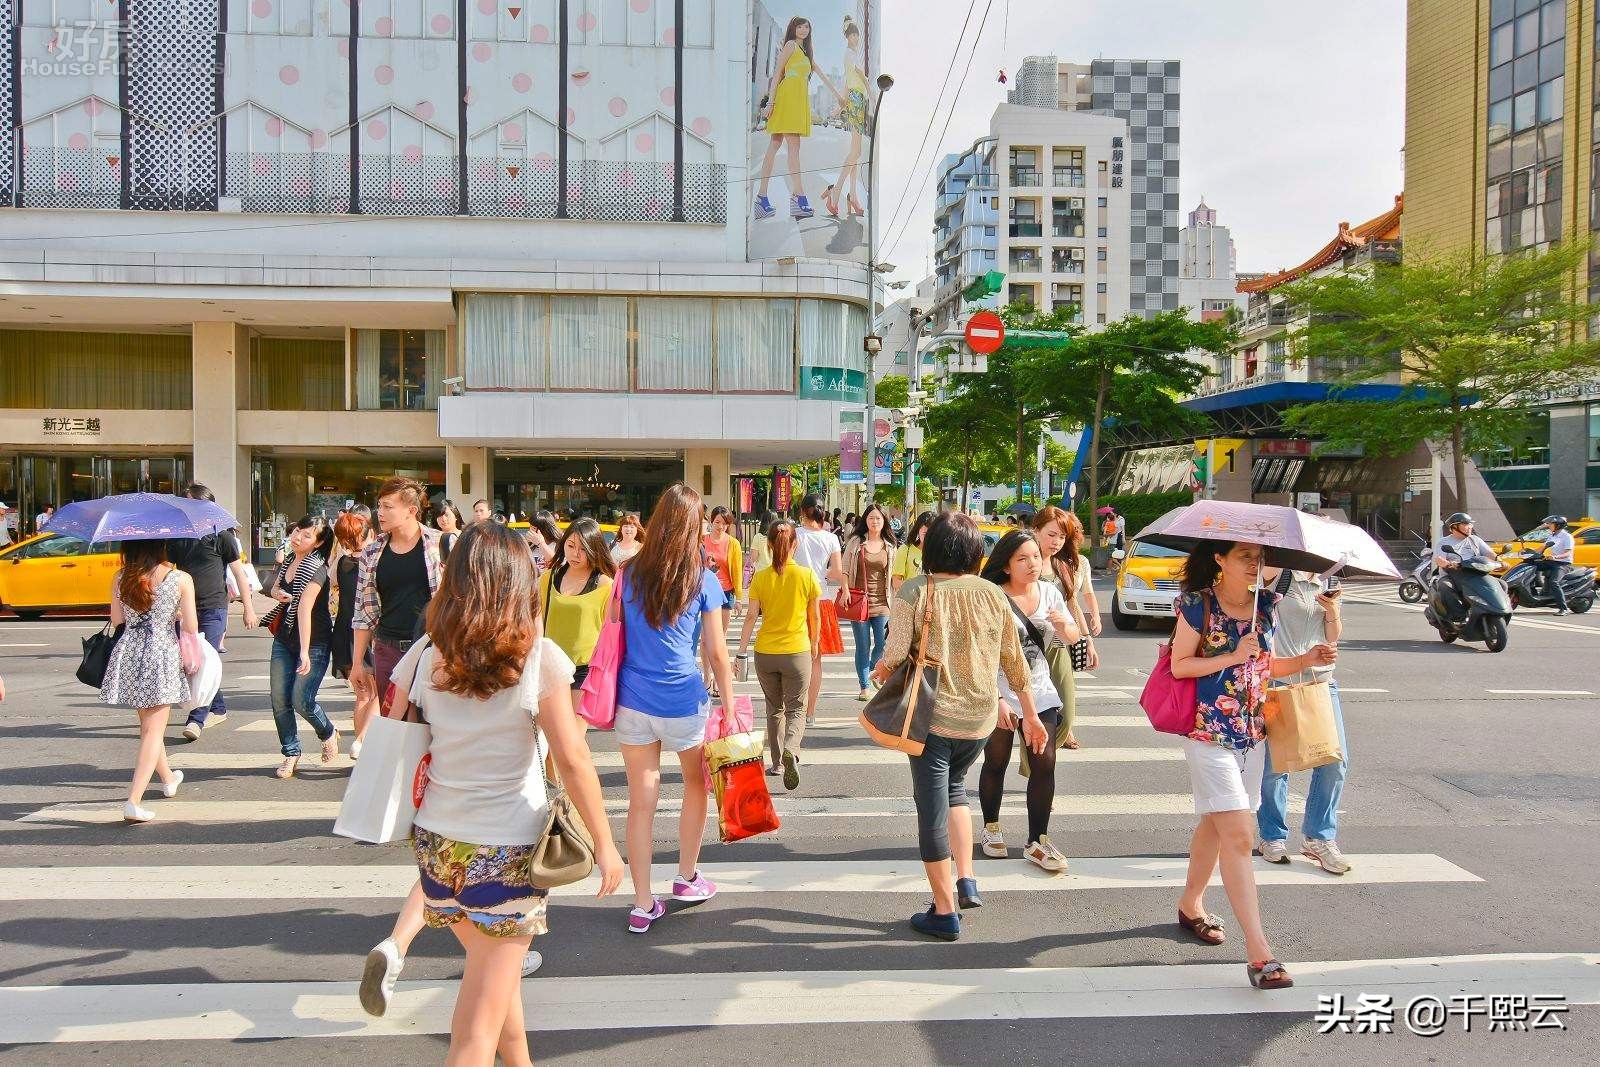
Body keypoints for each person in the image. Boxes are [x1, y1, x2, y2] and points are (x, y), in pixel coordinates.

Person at [400, 522, 623, 1066]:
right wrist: (605, 842)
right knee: (474, 1030)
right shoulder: (535, 657)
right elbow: (573, 758)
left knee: (496, 981)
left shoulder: (428, 651)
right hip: (506, 855)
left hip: (437, 848)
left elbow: (394, 732)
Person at [1167, 538, 1336, 990]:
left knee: (1215, 823)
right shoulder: (1197, 605)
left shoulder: (1267, 608)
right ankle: (1260, 953)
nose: (1254, 565)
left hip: (1253, 733)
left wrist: (1306, 659)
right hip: (1208, 734)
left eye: (1259, 559)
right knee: (1240, 835)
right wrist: (1230, 656)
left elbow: (1263, 668)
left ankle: (1190, 904)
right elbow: (1180, 666)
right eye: (1245, 557)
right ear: (1220, 559)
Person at [871, 513, 1044, 941]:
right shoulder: (991, 593)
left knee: (930, 810)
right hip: (980, 720)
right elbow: (1014, 659)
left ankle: (945, 911)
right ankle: (966, 878)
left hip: (933, 720)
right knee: (956, 791)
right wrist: (1031, 713)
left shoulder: (916, 590)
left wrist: (881, 671)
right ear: (974, 551)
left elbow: (894, 654)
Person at [614, 483, 737, 934]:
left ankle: (643, 903)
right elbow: (718, 654)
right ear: (693, 525)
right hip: (684, 699)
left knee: (640, 803)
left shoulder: (627, 573)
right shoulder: (702, 579)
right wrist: (729, 706)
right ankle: (686, 877)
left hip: (633, 700)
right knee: (694, 787)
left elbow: (615, 633)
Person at [976, 531, 1078, 873]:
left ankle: (1038, 840)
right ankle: (991, 827)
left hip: (1040, 691)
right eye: (1023, 558)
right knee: (996, 760)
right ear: (1006, 565)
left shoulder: (1049, 592)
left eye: (1035, 556)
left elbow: (1072, 636)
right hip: (1001, 693)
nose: (1033, 563)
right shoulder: (992, 596)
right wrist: (997, 700)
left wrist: (1066, 627)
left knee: (1044, 761)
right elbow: (979, 653)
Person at [1256, 568, 1350, 875]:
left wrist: (1333, 611)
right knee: (1275, 766)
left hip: (1320, 682)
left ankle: (1319, 837)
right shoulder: (1278, 575)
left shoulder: (1330, 582)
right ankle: (1271, 836)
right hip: (1279, 682)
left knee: (1334, 761)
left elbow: (1332, 636)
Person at [101, 540, 200, 823]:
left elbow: (117, 619)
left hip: (130, 651)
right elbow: (191, 627)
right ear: (161, 548)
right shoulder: (180, 578)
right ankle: (133, 800)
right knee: (153, 731)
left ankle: (168, 778)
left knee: (148, 726)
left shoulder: (121, 577)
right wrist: (175, 614)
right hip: (161, 653)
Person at [169, 484, 259, 742]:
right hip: (186, 609)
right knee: (194, 662)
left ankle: (196, 720)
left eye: (190, 502)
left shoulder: (222, 535)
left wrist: (248, 609)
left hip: (214, 607)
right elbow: (169, 570)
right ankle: (217, 707)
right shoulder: (178, 537)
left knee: (202, 660)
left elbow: (239, 572)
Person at [735, 518, 820, 789]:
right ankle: (792, 749)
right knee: (796, 707)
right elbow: (814, 617)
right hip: (797, 651)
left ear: (769, 545)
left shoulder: (760, 578)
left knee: (774, 709)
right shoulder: (806, 576)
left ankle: (776, 763)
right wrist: (815, 643)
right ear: (794, 544)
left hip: (766, 652)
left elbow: (750, 617)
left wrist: (740, 652)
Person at [348, 477, 442, 721]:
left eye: (388, 506)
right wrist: (358, 662)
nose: (380, 513)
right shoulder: (372, 551)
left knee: (431, 723)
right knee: (393, 724)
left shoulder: (439, 544)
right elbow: (363, 610)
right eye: (379, 506)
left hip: (432, 648)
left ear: (411, 510)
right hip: (388, 648)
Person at [265, 515, 338, 779]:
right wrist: (278, 595)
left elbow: (305, 610)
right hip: (285, 637)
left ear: (318, 543)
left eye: (307, 535)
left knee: (301, 700)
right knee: (279, 698)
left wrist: (305, 652)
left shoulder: (316, 569)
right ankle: (290, 752)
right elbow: (275, 587)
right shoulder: (288, 560)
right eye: (298, 530)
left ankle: (327, 731)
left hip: (315, 641)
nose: (298, 537)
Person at [754, 15, 846, 222]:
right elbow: (778, 73)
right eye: (800, 26)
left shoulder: (807, 54)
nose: (803, 30)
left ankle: (762, 199)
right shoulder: (790, 45)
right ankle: (799, 198)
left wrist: (840, 97)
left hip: (797, 101)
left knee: (775, 144)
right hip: (787, 99)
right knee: (792, 147)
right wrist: (771, 102)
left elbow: (823, 76)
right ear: (793, 28)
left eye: (806, 27)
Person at [1033, 506, 1097, 748]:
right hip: (1024, 647)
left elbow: (1072, 605)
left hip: (1059, 646)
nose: (1057, 542)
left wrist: (1086, 639)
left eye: (1062, 537)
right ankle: (1037, 768)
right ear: (1035, 530)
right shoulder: (1022, 560)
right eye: (1051, 535)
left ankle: (1039, 764)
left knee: (1066, 715)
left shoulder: (1064, 566)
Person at [540, 517, 616, 707]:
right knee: (551, 735)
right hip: (550, 666)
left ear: (594, 549)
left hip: (585, 669)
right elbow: (537, 620)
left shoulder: (605, 583)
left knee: (574, 733)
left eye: (583, 549)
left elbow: (611, 633)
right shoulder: (548, 578)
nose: (576, 554)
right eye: (571, 545)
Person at [331, 507, 379, 759]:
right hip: (365, 634)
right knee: (377, 693)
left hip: (343, 634)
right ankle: (361, 743)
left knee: (361, 694)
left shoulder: (342, 563)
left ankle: (359, 747)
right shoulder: (370, 563)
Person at [793, 494, 844, 726]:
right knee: (816, 660)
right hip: (821, 600)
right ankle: (810, 712)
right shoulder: (831, 539)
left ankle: (794, 708)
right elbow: (836, 572)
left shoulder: (794, 535)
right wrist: (819, 574)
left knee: (793, 656)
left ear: (803, 511)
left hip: (796, 600)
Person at [838, 503, 896, 701]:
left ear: (884, 521)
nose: (874, 521)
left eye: (878, 518)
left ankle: (872, 669)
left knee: (882, 644)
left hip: (882, 602)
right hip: (859, 603)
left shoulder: (890, 545)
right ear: (866, 520)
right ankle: (864, 686)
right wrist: (845, 590)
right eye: (871, 518)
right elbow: (844, 569)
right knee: (862, 645)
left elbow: (894, 575)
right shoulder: (856, 542)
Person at [819, 15, 869, 219]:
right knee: (855, 152)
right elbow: (861, 78)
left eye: (856, 34)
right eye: (852, 35)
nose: (855, 37)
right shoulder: (851, 55)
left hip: (856, 101)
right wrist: (872, 95)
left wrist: (841, 106)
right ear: (847, 37)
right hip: (858, 100)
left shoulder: (851, 54)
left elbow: (848, 82)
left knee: (855, 153)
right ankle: (837, 190)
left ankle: (853, 195)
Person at [701, 506, 745, 691]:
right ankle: (706, 676)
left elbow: (737, 571)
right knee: (704, 638)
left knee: (720, 638)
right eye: (717, 522)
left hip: (725, 593)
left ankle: (720, 679)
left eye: (725, 523)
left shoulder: (733, 543)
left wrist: (739, 597)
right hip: (704, 592)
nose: (721, 527)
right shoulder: (702, 541)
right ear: (711, 521)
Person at [1536, 514, 1575, 615]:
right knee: (1531, 565)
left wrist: (1555, 557)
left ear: (1558, 525)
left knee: (1554, 582)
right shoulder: (1552, 536)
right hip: (1552, 561)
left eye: (1550, 524)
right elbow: (1542, 548)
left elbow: (1568, 553)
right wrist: (1529, 554)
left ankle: (1564, 608)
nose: (1548, 525)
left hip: (1563, 563)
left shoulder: (1567, 537)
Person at [891, 511, 933, 597]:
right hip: (911, 602)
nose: (928, 537)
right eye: (925, 534)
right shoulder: (905, 550)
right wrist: (918, 587)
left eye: (932, 534)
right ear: (918, 531)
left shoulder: (941, 552)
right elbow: (895, 582)